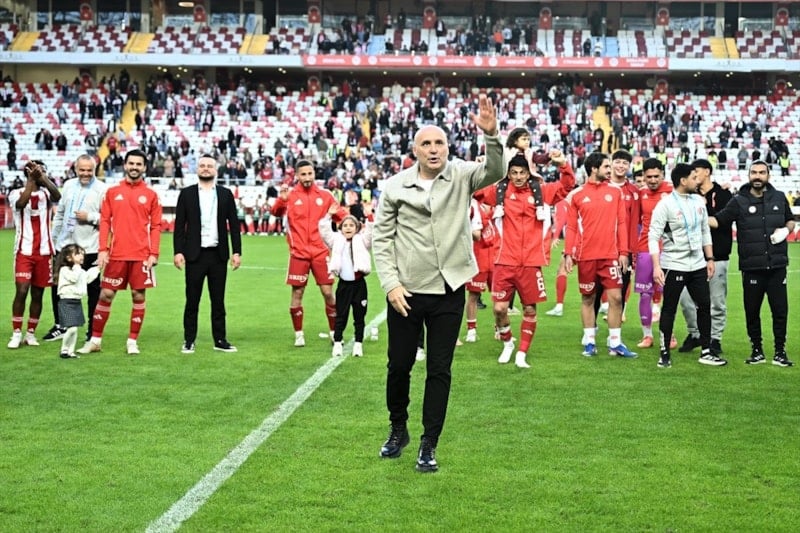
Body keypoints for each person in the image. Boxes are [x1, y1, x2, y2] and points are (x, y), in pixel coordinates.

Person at [373, 94, 503, 473]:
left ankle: (429, 442)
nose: (434, 149)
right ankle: (398, 429)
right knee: (398, 366)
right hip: (406, 292)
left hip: (449, 291)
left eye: (440, 142)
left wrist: (491, 135)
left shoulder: (461, 174)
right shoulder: (395, 186)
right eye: (426, 143)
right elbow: (381, 238)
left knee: (439, 369)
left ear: (448, 147)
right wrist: (391, 284)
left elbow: (495, 170)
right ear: (414, 150)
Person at [483, 150, 575, 368]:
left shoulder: (541, 191)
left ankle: (522, 353)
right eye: (514, 173)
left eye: (522, 172)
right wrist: (483, 169)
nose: (518, 177)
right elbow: (475, 190)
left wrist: (563, 165)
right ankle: (507, 343)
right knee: (499, 309)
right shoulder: (499, 191)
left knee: (530, 309)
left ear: (528, 173)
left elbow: (567, 186)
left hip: (531, 263)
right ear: (508, 174)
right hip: (504, 260)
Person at [709, 160, 795, 367]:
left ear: (768, 175)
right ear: (749, 175)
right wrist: (697, 216)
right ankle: (757, 350)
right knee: (752, 311)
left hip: (777, 266)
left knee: (780, 311)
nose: (757, 176)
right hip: (752, 267)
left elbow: (790, 220)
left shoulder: (779, 197)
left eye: (762, 172)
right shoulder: (739, 201)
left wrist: (786, 230)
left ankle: (780, 352)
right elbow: (719, 221)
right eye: (754, 172)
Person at [77, 149, 162, 356]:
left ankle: (132, 341)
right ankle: (95, 340)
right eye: (131, 163)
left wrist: (154, 253)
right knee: (105, 295)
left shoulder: (151, 195)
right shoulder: (112, 192)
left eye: (138, 164)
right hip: (116, 254)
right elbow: (105, 222)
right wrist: (103, 250)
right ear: (125, 165)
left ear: (144, 167)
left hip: (141, 255)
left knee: (138, 295)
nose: (134, 167)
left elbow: (156, 226)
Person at [648, 164, 727, 368]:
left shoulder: (699, 201)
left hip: (698, 264)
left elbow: (704, 231)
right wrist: (656, 267)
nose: (697, 180)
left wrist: (710, 258)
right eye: (693, 177)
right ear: (683, 181)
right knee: (670, 308)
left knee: (704, 306)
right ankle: (664, 353)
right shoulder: (665, 205)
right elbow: (653, 236)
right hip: (674, 264)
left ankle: (706, 351)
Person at [563, 152, 637, 358]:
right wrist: (568, 253)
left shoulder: (615, 192)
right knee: (588, 298)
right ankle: (590, 341)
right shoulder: (577, 195)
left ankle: (615, 343)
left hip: (610, 256)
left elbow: (622, 224)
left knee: (616, 298)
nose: (609, 170)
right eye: (606, 166)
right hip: (586, 257)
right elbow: (571, 227)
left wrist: (624, 252)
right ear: (594, 169)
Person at [270, 160, 348, 347]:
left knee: (328, 292)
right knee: (297, 292)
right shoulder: (290, 195)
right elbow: (275, 212)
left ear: (314, 174)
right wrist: (282, 200)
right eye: (303, 174)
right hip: (298, 253)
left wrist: (357, 223)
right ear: (297, 175)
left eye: (310, 173)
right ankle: (299, 334)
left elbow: (343, 217)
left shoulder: (325, 195)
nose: (307, 177)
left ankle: (334, 332)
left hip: (321, 251)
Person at [173, 154, 242, 354]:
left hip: (218, 255)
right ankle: (189, 340)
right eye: (202, 165)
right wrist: (178, 251)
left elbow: (234, 226)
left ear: (215, 170)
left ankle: (220, 339)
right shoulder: (187, 194)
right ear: (197, 169)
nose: (205, 168)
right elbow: (179, 226)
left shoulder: (225, 194)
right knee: (192, 300)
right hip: (194, 255)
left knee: (218, 301)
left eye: (209, 166)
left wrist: (236, 252)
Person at [45, 154, 106, 343]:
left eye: (89, 170)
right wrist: (53, 241)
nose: (85, 173)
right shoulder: (68, 185)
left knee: (93, 290)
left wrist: (90, 217)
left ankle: (92, 331)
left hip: (89, 248)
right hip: (64, 247)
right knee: (59, 287)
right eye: (82, 170)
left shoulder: (102, 189)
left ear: (95, 170)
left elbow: (109, 218)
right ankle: (61, 325)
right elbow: (60, 214)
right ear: (75, 169)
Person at [676, 159, 733, 356]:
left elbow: (723, 220)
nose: (694, 175)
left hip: (717, 255)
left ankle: (715, 339)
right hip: (691, 256)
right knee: (685, 299)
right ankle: (696, 334)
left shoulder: (724, 194)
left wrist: (698, 213)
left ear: (707, 172)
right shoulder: (689, 194)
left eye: (697, 171)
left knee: (716, 301)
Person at [7, 161, 61, 349]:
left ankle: (30, 333)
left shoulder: (47, 193)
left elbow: (58, 195)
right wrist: (32, 180)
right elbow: (21, 204)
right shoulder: (16, 193)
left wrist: (42, 177)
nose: (39, 173)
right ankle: (16, 333)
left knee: (38, 294)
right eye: (36, 171)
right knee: (22, 291)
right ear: (27, 173)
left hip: (44, 252)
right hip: (24, 251)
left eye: (42, 171)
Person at [319, 205, 373, 358]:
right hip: (344, 285)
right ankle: (337, 342)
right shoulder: (336, 240)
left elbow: (371, 233)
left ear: (357, 228)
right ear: (340, 228)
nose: (348, 228)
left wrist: (369, 216)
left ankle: (358, 344)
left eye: (351, 225)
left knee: (359, 316)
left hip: (359, 285)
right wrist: (329, 215)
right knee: (341, 315)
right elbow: (324, 231)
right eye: (345, 225)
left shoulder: (362, 240)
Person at [633, 158, 675, 349]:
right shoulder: (640, 194)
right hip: (645, 248)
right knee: (644, 294)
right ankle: (647, 335)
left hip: (668, 249)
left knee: (669, 294)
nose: (652, 180)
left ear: (662, 175)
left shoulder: (673, 191)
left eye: (656, 176)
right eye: (648, 176)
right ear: (643, 176)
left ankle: (669, 334)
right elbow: (634, 222)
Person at [54, 244, 100, 359]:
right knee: (72, 328)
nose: (81, 256)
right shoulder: (65, 270)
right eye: (78, 254)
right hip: (66, 302)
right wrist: (77, 267)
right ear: (69, 258)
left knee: (75, 330)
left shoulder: (79, 270)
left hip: (76, 302)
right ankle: (64, 349)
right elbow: (73, 278)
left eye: (82, 254)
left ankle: (71, 351)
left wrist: (98, 268)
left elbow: (87, 278)